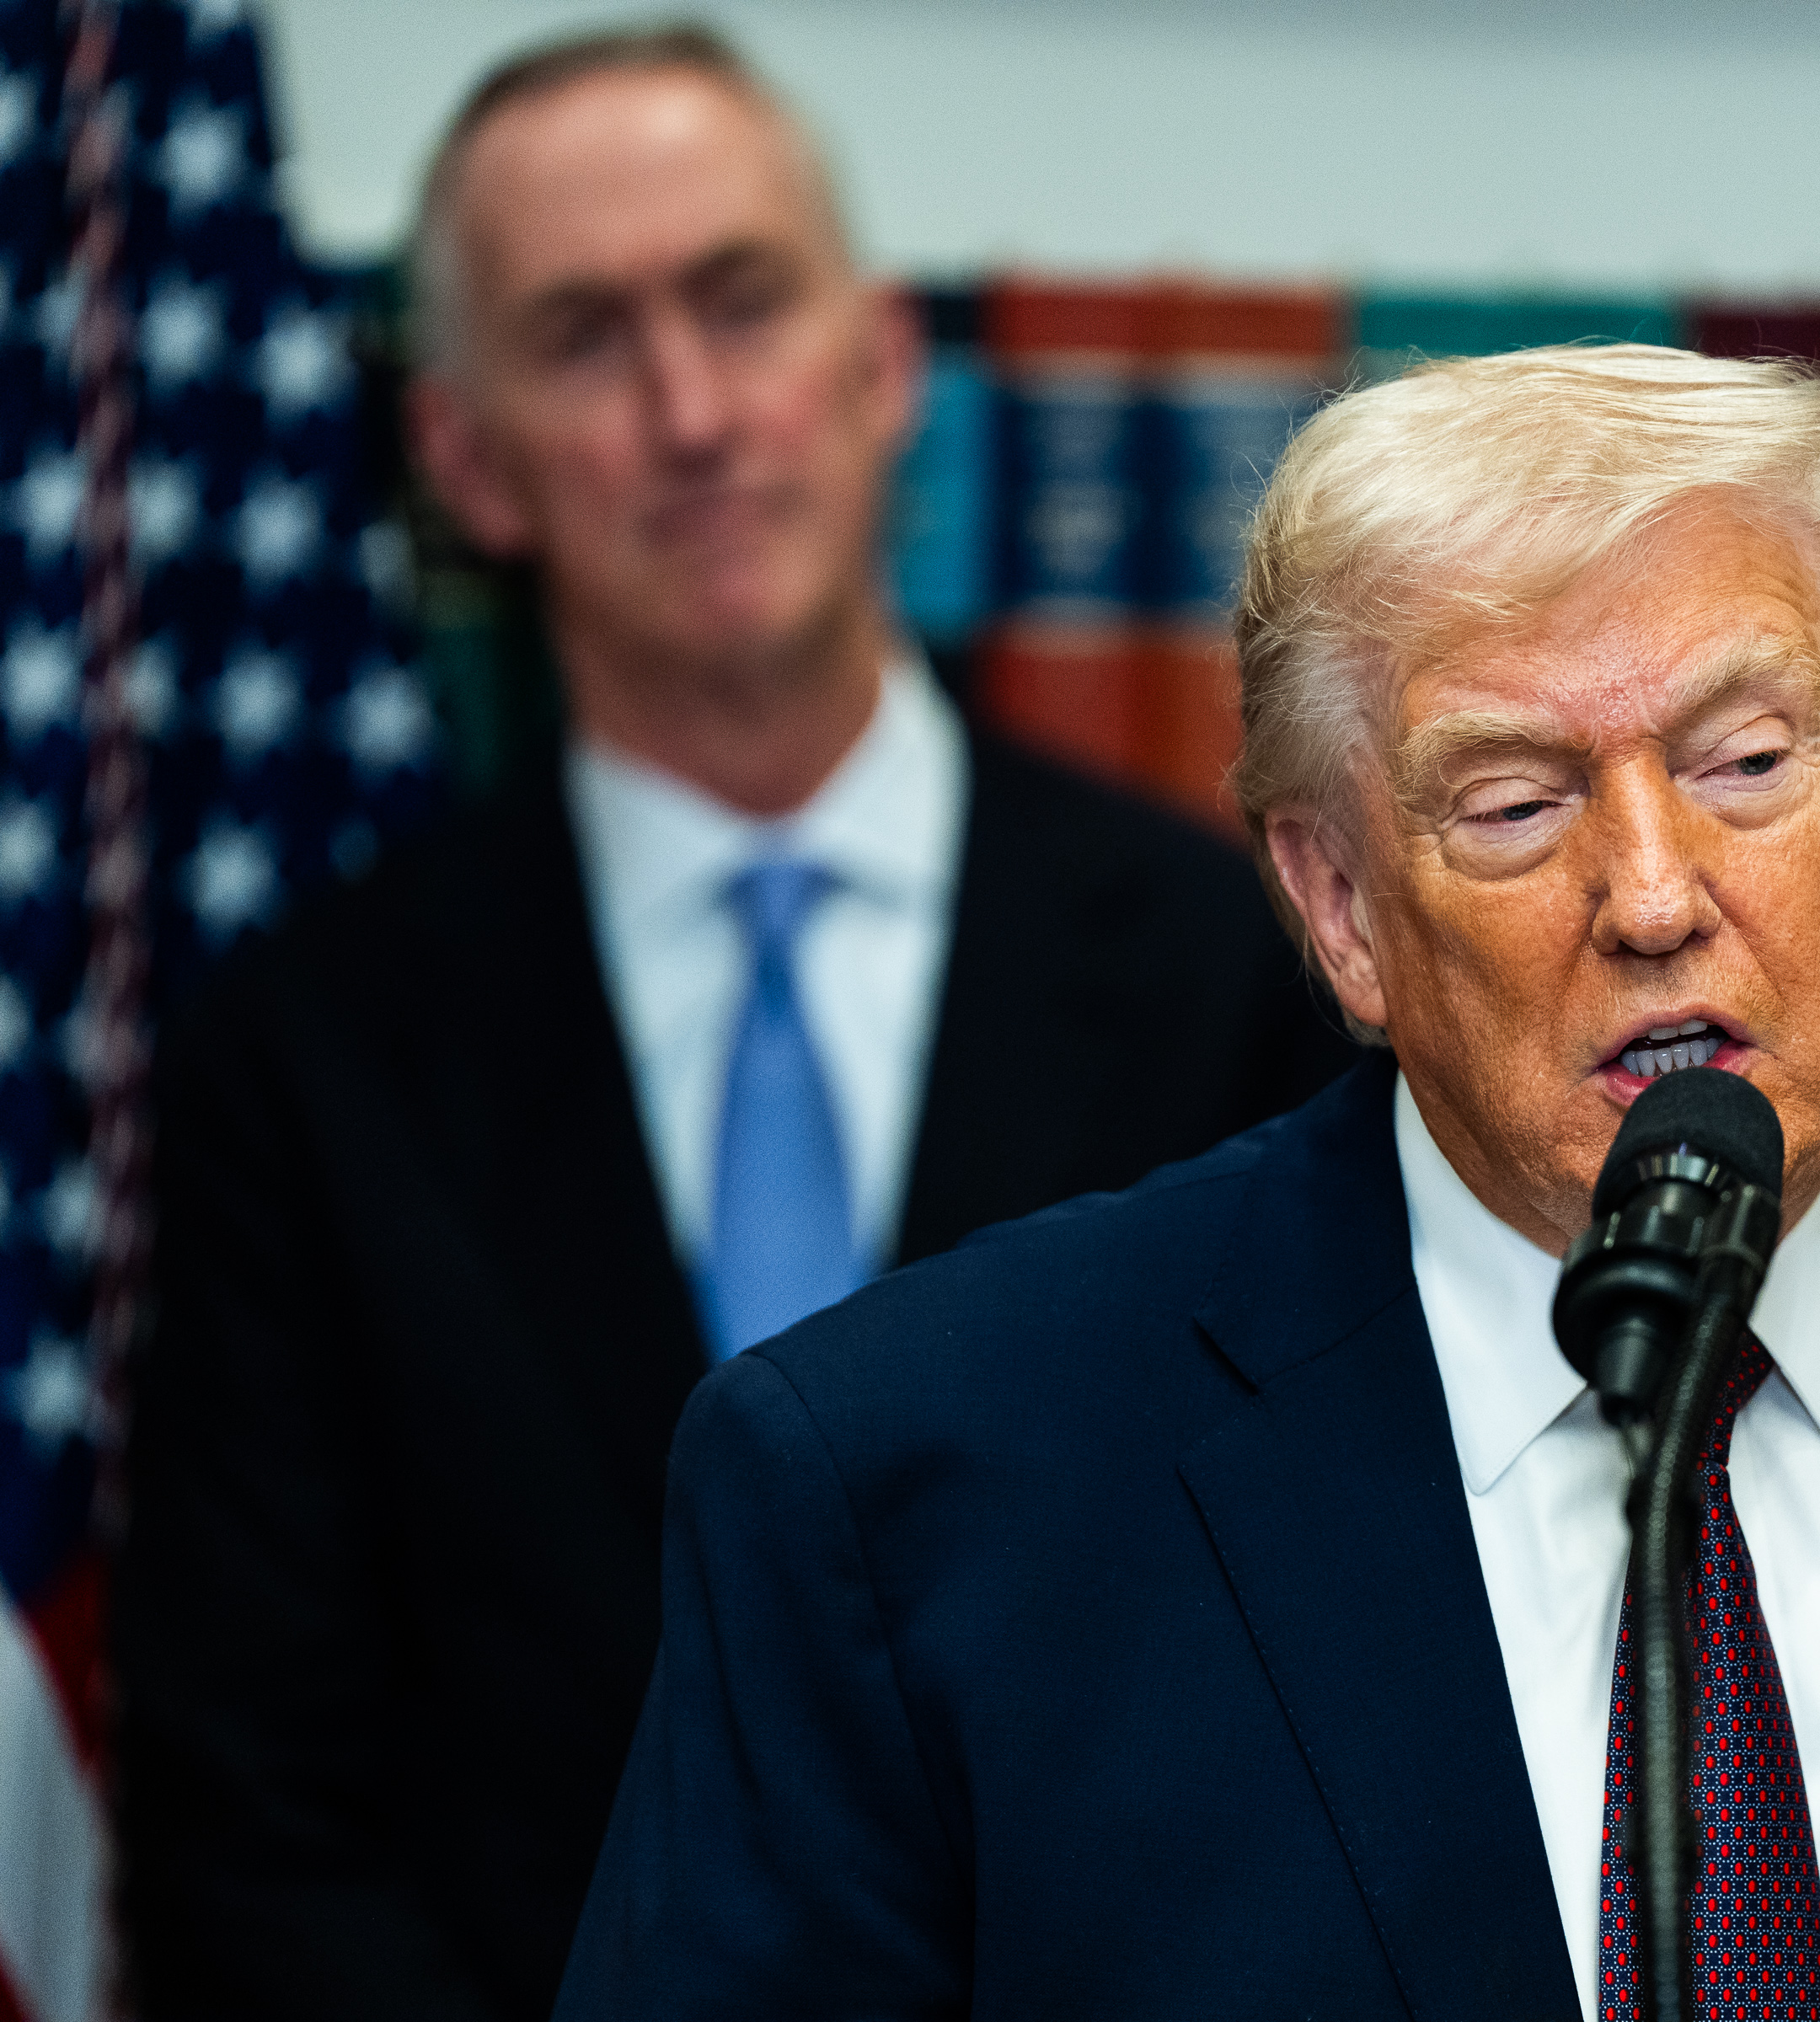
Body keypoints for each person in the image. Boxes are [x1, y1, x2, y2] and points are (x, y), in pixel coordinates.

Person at [551, 343, 1820, 2021]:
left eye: (1751, 764)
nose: (1661, 898)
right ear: (1338, 909)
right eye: (1514, 804)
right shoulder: (908, 1503)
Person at [111, 28, 1352, 2022]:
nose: (690, 412)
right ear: (463, 460)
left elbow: (1333, 1695)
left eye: (740, 301)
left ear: (881, 369)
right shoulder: (310, 1053)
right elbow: (246, 1810)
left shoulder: (1239, 974)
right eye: (585, 337)